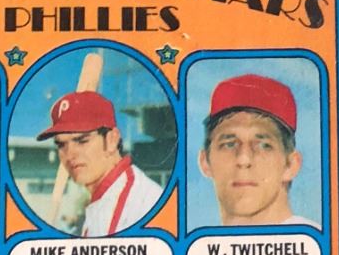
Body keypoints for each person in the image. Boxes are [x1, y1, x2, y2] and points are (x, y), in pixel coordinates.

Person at [38, 90, 165, 236]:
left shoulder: (143, 203)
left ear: (112, 140)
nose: (70, 154)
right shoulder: (105, 196)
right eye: (61, 145)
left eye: (82, 141)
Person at [196, 74, 307, 228]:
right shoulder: (201, 242)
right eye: (229, 144)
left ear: (291, 165)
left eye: (263, 145)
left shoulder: (318, 240)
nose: (243, 159)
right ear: (204, 162)